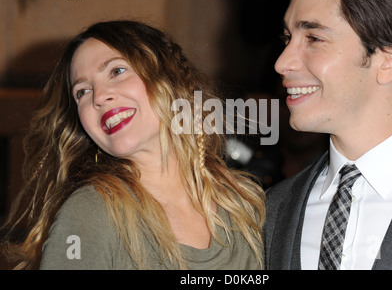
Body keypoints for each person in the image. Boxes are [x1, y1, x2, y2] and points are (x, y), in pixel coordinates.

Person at [2, 20, 265, 270]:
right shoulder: (90, 214)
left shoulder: (242, 202)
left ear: (169, 79)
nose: (100, 97)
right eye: (82, 91)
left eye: (116, 71)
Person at [264, 0, 392, 270]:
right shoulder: (274, 209)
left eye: (313, 38)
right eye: (288, 38)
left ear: (389, 59)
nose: (282, 62)